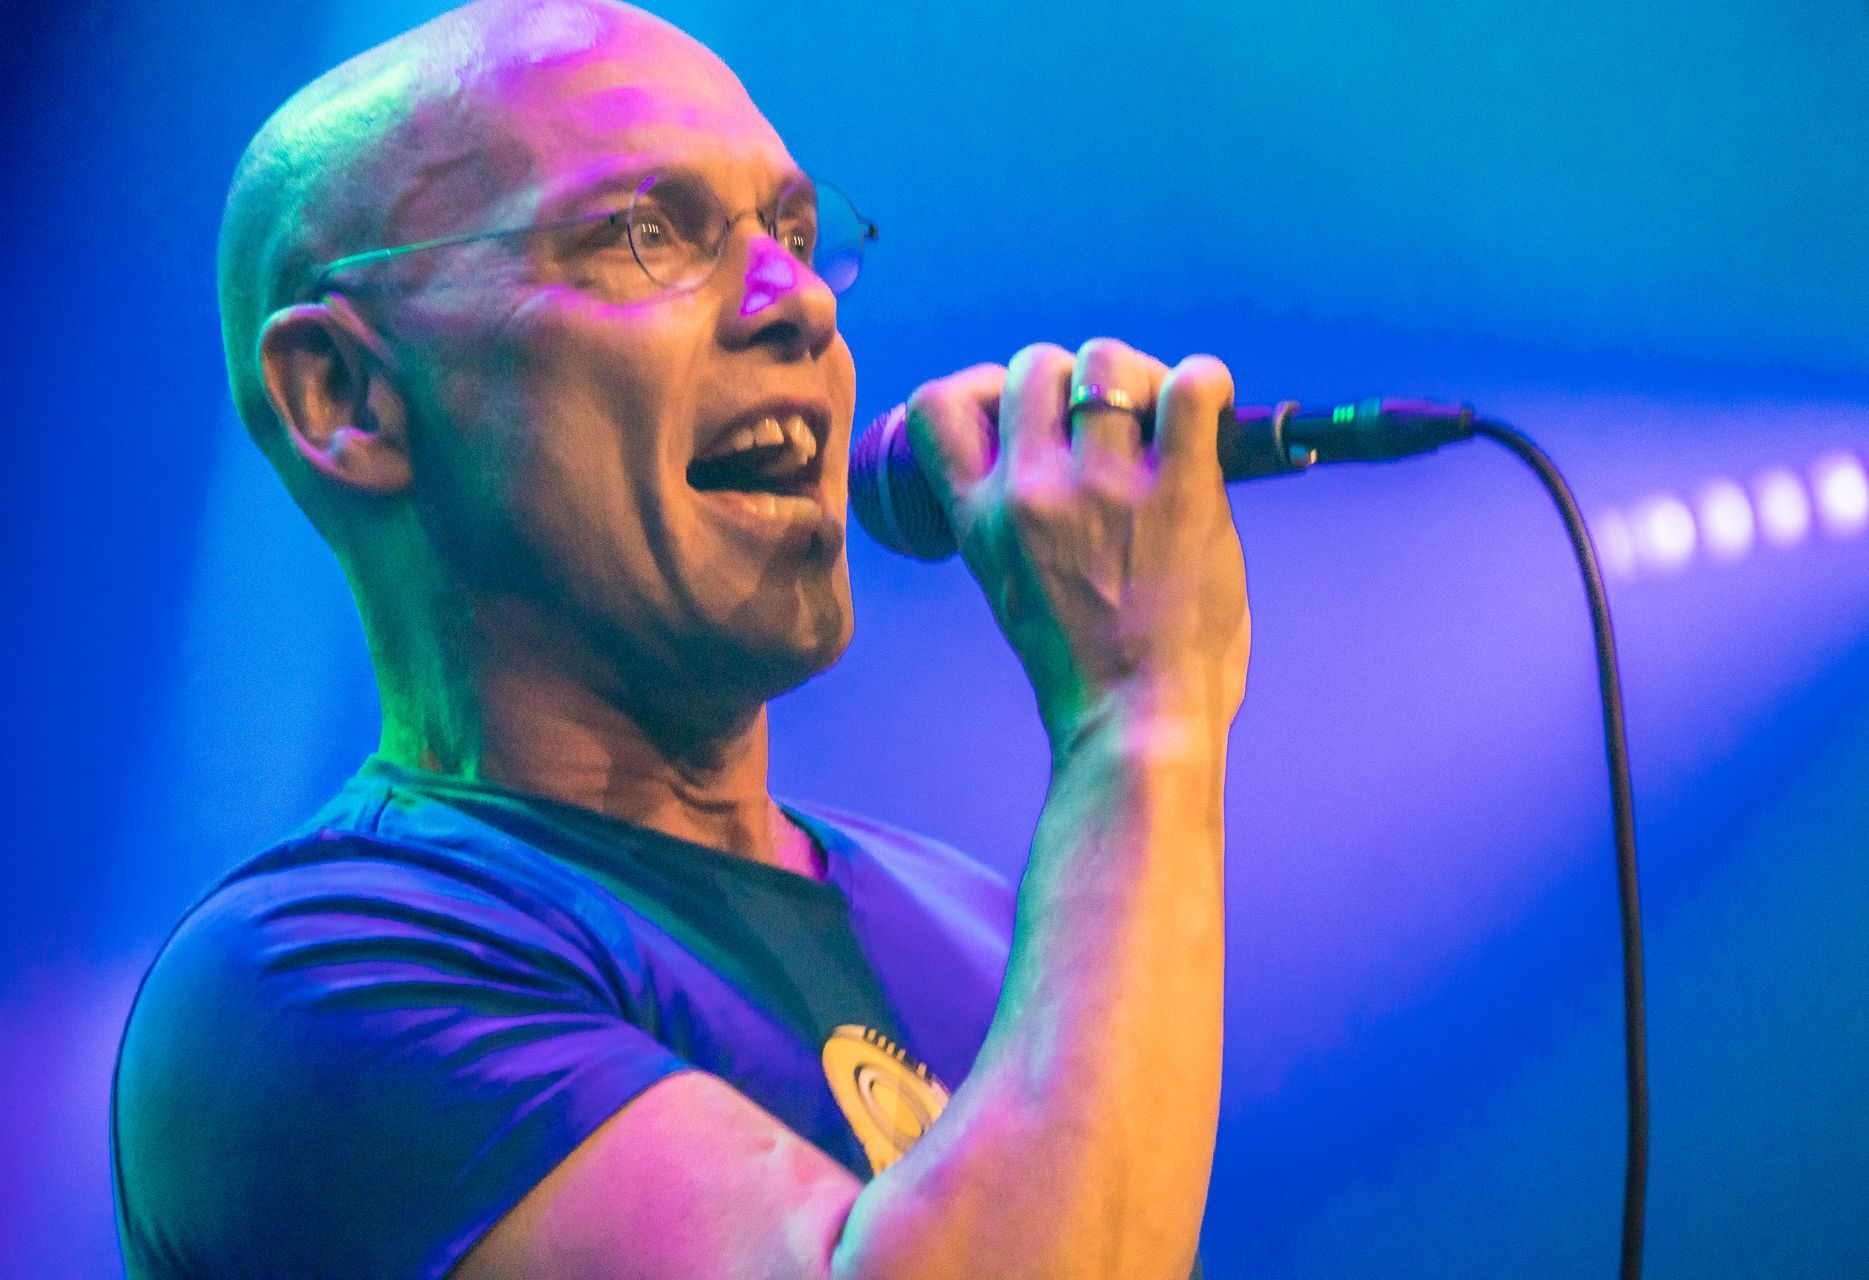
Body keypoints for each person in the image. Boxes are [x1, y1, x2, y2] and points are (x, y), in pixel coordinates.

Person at [111, 0, 1250, 1275]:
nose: (799, 302)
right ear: (346, 396)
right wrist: (1139, 711)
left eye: (796, 236)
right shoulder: (308, 982)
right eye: (645, 231)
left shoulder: (991, 930)